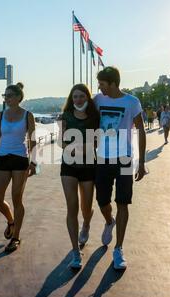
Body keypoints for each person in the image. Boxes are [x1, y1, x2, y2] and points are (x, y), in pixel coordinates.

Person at [94, 66, 147, 270]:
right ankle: (109, 221)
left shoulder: (132, 102)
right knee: (102, 201)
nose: (99, 87)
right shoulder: (98, 100)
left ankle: (118, 249)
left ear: (113, 83)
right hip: (102, 158)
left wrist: (141, 162)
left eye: (102, 83)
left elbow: (141, 130)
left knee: (123, 202)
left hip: (124, 158)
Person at [0, 83, 37, 254]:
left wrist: (34, 162)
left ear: (18, 97)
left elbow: (32, 140)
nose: (6, 99)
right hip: (2, 159)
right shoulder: (0, 115)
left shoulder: (28, 115)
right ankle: (11, 221)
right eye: (4, 96)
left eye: (9, 95)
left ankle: (15, 237)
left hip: (20, 159)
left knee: (17, 198)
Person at [59, 84, 100, 270]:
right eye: (75, 97)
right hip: (69, 166)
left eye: (81, 96)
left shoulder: (94, 117)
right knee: (72, 208)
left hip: (89, 166)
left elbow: (97, 141)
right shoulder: (65, 117)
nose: (78, 100)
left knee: (86, 208)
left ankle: (86, 225)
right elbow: (61, 142)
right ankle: (76, 252)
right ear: (71, 98)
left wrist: (85, 147)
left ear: (87, 98)